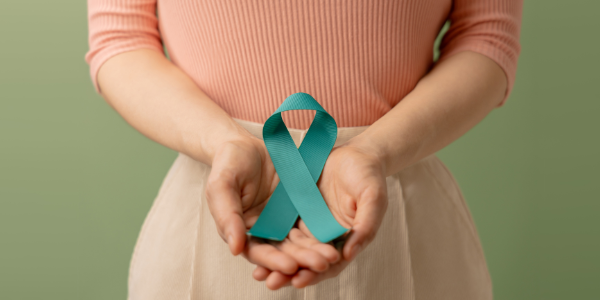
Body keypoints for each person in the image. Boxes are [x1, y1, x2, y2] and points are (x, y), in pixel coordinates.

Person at [85, 0, 522, 299]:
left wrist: (375, 151)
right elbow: (121, 36)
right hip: (220, 198)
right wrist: (223, 143)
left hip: (394, 202)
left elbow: (487, 33)